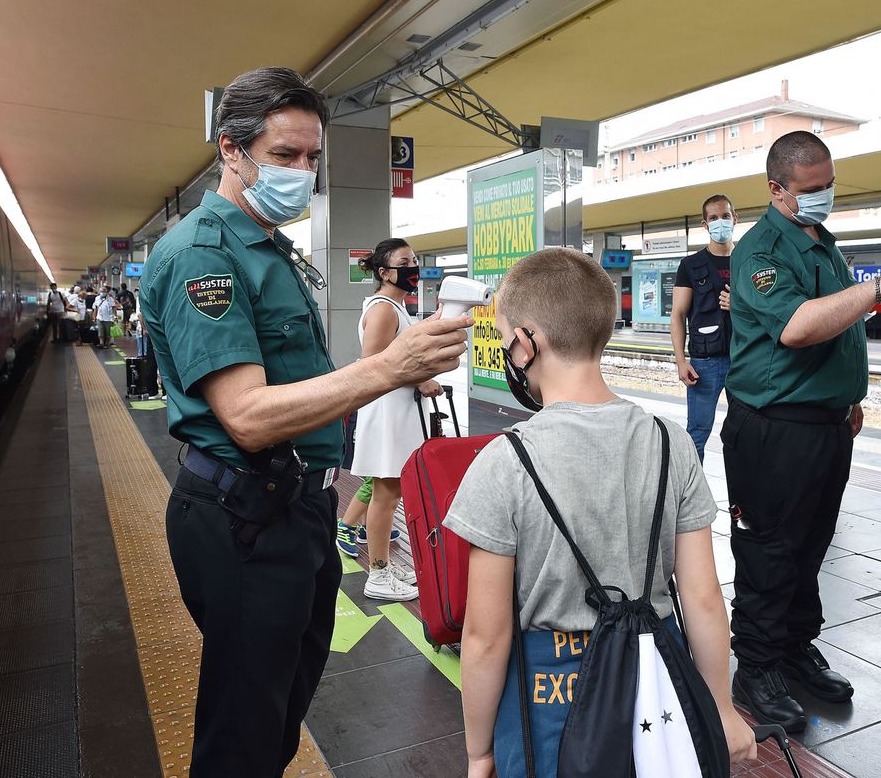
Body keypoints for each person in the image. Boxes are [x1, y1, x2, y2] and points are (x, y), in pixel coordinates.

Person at [138, 66, 471, 777]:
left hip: (296, 508)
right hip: (245, 516)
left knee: (278, 712)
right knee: (244, 732)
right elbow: (248, 418)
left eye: (312, 158)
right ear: (232, 151)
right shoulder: (207, 251)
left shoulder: (267, 245)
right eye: (284, 155)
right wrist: (391, 367)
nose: (302, 171)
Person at [445, 248, 756, 778]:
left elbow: (485, 636)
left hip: (548, 703)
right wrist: (722, 710)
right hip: (657, 688)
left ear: (527, 341)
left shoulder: (504, 462)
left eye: (504, 342)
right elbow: (703, 600)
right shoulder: (670, 443)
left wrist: (479, 752)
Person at [725, 131, 881, 730]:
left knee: (811, 542)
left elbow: (836, 325)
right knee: (770, 547)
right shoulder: (762, 249)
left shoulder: (821, 240)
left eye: (829, 185)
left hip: (824, 424)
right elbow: (795, 326)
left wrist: (844, 398)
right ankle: (757, 666)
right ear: (778, 190)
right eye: (811, 189)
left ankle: (793, 648)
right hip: (772, 428)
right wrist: (876, 289)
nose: (824, 197)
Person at [335, 238, 439, 602]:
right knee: (385, 495)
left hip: (396, 412)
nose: (413, 267)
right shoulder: (383, 309)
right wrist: (421, 378)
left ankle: (382, 567)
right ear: (384, 272)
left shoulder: (396, 306)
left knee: (389, 493)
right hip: (385, 413)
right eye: (405, 261)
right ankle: (378, 574)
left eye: (414, 259)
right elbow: (374, 365)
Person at [671, 194, 735, 462]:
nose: (720, 222)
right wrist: (680, 360)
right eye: (714, 218)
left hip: (744, 360)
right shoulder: (690, 265)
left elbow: (771, 310)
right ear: (705, 225)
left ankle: (743, 496)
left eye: (725, 216)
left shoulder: (750, 262)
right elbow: (678, 314)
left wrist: (741, 304)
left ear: (735, 219)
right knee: (697, 433)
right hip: (705, 363)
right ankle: (690, 499)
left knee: (745, 432)